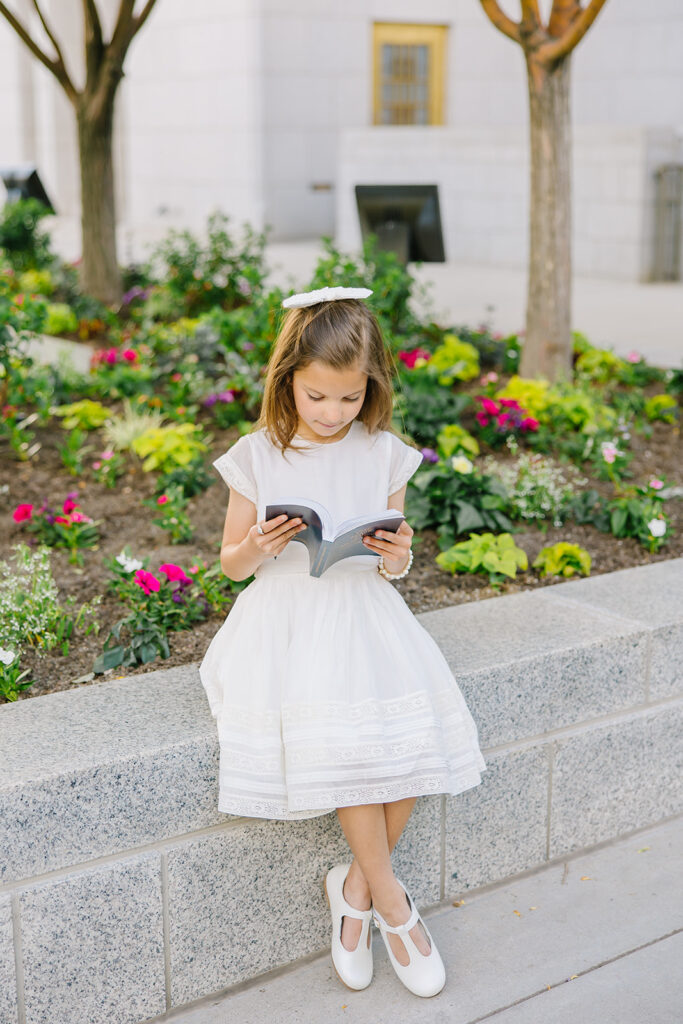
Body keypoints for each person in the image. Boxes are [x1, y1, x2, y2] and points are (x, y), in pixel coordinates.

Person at [199, 286, 487, 999]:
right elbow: (229, 563)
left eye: (349, 399)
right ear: (288, 379)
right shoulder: (257, 454)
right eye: (316, 397)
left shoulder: (385, 453)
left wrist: (398, 551)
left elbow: (391, 558)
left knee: (412, 735)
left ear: (371, 387)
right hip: (287, 619)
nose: (332, 414)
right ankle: (393, 907)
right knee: (352, 737)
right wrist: (258, 545)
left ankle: (354, 889)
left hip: (363, 609)